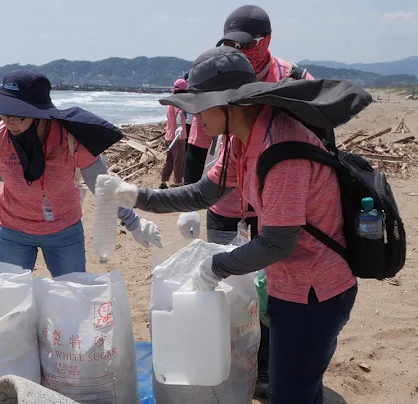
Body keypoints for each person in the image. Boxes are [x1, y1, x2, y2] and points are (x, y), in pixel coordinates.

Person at [113, 47, 357, 404]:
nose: (194, 116)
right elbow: (202, 193)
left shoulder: (282, 148)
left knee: (292, 393)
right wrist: (137, 196)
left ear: (230, 103)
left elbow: (278, 243)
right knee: (292, 384)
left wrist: (216, 267)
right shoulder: (241, 140)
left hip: (315, 289)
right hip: (287, 282)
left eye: (199, 104)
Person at [179, 5, 315, 396]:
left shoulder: (292, 80)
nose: (238, 50)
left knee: (270, 293)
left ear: (268, 41)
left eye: (247, 44)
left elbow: (314, 146)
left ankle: (267, 368)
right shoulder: (219, 79)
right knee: (225, 291)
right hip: (227, 203)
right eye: (228, 43)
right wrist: (190, 204)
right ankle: (235, 362)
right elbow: (197, 145)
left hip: (276, 208)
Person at [0, 70, 162, 277]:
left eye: (17, 115)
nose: (10, 122)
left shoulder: (69, 139)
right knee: (15, 302)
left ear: (38, 113)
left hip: (64, 231)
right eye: (5, 115)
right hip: (13, 231)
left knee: (72, 297)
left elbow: (105, 186)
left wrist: (134, 224)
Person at [160, 78, 189, 189]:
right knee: (178, 161)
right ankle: (177, 182)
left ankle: (164, 180)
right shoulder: (178, 103)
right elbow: (179, 116)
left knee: (169, 160)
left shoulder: (170, 102)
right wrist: (180, 127)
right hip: (178, 137)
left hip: (169, 135)